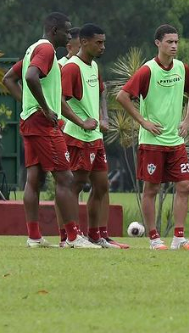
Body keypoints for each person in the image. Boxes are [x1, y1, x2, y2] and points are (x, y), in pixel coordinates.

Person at [4, 12, 99, 248]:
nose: (69, 36)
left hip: (30, 119)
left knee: (34, 179)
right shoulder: (46, 50)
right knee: (65, 177)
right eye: (66, 31)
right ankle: (74, 237)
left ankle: (34, 237)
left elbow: (9, 79)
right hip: (41, 123)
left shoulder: (32, 49)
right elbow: (30, 77)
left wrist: (30, 104)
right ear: (54, 30)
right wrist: (44, 108)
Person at [117, 24, 189, 251]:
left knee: (184, 185)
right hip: (152, 142)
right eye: (169, 42)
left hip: (176, 142)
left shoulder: (183, 69)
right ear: (158, 43)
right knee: (151, 190)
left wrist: (187, 120)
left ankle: (179, 238)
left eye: (176, 42)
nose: (174, 46)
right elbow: (122, 96)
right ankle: (154, 239)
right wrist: (143, 121)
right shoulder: (147, 71)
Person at [60, 23, 128, 249]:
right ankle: (71, 237)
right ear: (84, 42)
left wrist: (104, 117)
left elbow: (101, 92)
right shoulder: (71, 68)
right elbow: (59, 101)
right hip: (76, 138)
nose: (103, 47)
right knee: (75, 185)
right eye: (99, 42)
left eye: (104, 42)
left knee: (102, 186)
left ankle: (94, 235)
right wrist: (81, 122)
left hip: (95, 138)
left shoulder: (94, 66)